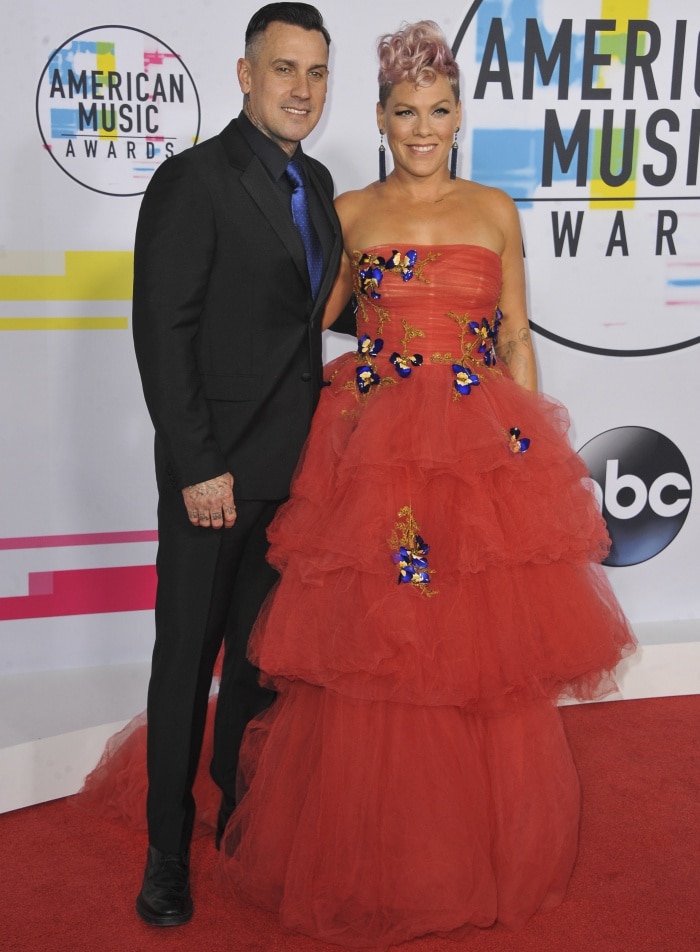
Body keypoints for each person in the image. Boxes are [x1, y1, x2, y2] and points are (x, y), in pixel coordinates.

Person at [217, 20, 636, 949]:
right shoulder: (354, 211)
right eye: (405, 112)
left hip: (478, 452)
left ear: (459, 116)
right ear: (379, 116)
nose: (422, 128)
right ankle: (387, 846)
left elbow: (518, 335)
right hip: (378, 458)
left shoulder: (494, 210)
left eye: (438, 111)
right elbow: (305, 324)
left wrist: (534, 453)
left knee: (471, 645)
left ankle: (470, 840)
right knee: (391, 640)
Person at [116, 2, 345, 928]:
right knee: (185, 666)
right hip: (212, 477)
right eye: (285, 69)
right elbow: (161, 334)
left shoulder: (320, 180)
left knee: (257, 664)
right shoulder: (191, 180)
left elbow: (306, 318)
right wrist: (196, 464)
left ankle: (237, 813)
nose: (302, 89)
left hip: (294, 475)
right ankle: (165, 854)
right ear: (246, 75)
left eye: (317, 73)